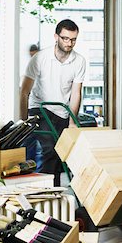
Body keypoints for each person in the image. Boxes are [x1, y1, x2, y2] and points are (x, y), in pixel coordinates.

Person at [20, 19, 86, 186]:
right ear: (56, 37)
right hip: (39, 108)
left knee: (60, 154)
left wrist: (72, 122)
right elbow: (24, 91)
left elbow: (76, 93)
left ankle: (54, 193)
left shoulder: (79, 61)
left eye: (73, 39)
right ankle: (45, 191)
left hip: (62, 112)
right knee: (48, 148)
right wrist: (23, 122)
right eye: (65, 38)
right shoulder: (39, 58)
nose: (69, 43)